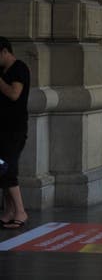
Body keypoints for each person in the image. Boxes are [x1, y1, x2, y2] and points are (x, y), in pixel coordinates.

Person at [0, 36, 31, 229]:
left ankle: (20, 211)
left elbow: (14, 93)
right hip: (2, 130)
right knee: (1, 169)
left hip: (14, 130)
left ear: (4, 51)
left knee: (8, 169)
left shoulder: (19, 69)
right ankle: (10, 210)